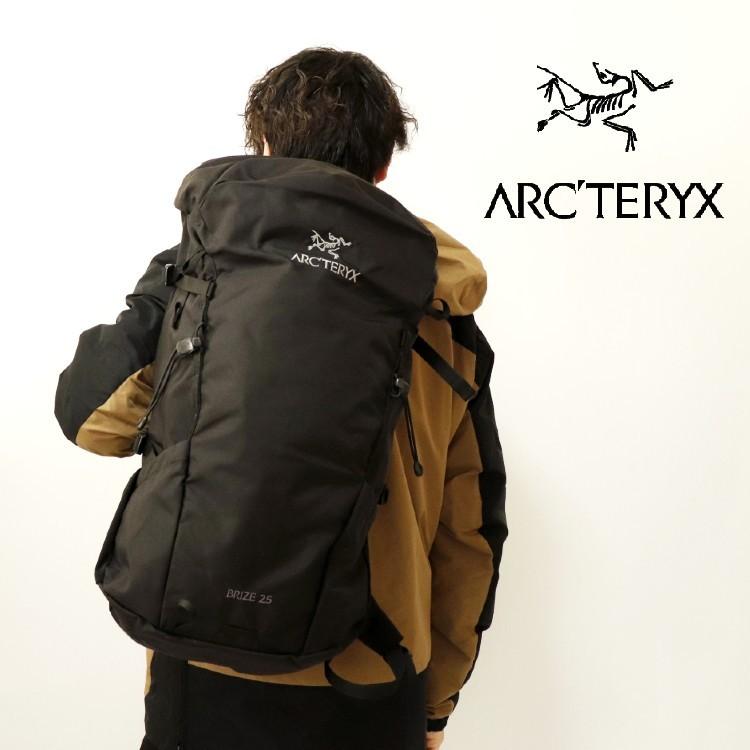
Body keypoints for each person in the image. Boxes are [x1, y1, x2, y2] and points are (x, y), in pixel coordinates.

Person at [54, 47, 508, 750]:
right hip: (376, 673)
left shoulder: (200, 278)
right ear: (384, 166)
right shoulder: (443, 322)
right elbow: (468, 535)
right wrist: (435, 706)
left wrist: (165, 287)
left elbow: (92, 421)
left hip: (203, 658)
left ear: (262, 145)